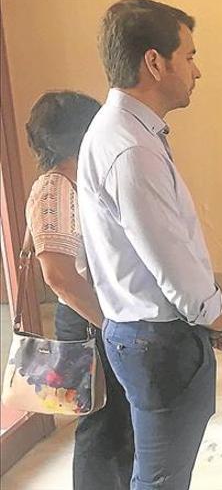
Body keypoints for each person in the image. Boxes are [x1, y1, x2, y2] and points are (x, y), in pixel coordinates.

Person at [77, 0, 222, 488]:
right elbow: (169, 262)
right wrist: (217, 318)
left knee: (159, 470)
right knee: (161, 478)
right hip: (157, 340)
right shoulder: (130, 147)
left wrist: (214, 299)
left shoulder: (129, 132)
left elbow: (167, 243)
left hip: (149, 335)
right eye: (190, 56)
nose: (198, 71)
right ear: (155, 61)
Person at [24, 91, 135, 490]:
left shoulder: (79, 181)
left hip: (101, 315)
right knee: (101, 424)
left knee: (120, 421)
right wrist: (110, 324)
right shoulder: (54, 188)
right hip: (89, 321)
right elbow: (58, 275)